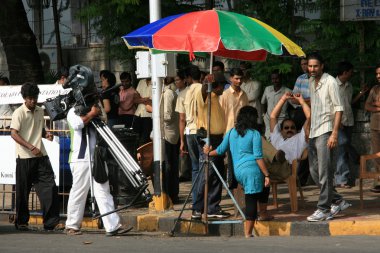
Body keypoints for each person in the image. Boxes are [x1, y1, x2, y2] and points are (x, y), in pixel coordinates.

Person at [65, 99, 132, 236]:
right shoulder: (72, 111)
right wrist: (91, 114)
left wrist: (96, 113)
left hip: (96, 158)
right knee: (79, 192)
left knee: (103, 190)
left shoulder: (93, 112)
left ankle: (112, 226)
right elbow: (78, 124)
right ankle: (72, 225)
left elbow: (104, 122)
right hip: (80, 159)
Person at [204, 106, 270, 238]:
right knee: (252, 196)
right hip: (252, 170)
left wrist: (208, 152)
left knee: (263, 187)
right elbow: (258, 156)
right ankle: (248, 232)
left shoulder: (231, 132)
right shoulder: (254, 134)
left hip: (237, 171)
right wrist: (267, 174)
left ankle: (262, 214)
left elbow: (220, 150)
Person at [10, 82, 61, 231]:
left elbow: (38, 129)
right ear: (25, 98)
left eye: (35, 98)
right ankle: (22, 222)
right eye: (30, 98)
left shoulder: (40, 111)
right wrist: (30, 146)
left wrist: (46, 134)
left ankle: (51, 222)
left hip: (41, 156)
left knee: (49, 186)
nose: (33, 101)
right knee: (23, 192)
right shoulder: (18, 113)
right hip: (24, 157)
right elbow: (14, 133)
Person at [306, 52, 351, 222]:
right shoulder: (311, 81)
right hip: (314, 131)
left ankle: (324, 209)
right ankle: (337, 200)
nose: (312, 69)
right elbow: (315, 106)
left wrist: (334, 133)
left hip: (326, 131)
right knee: (314, 171)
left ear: (322, 66)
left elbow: (339, 109)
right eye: (310, 66)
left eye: (315, 66)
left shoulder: (331, 82)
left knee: (325, 172)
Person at [191, 72, 230, 219]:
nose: (223, 89)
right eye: (222, 86)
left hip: (218, 138)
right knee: (206, 172)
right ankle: (197, 208)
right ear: (217, 86)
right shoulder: (205, 96)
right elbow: (202, 93)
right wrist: (206, 84)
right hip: (207, 137)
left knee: (217, 172)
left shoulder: (217, 98)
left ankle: (213, 207)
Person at [175, 65, 202, 215]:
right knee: (205, 168)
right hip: (203, 132)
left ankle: (196, 203)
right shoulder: (204, 90)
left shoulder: (183, 94)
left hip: (189, 132)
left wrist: (182, 141)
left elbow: (181, 119)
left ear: (188, 79)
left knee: (195, 168)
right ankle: (203, 202)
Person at [269, 92, 310, 184]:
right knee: (259, 139)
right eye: (286, 128)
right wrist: (283, 99)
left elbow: (309, 117)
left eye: (292, 128)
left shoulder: (300, 137)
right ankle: (277, 156)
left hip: (290, 169)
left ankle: (279, 156)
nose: (289, 130)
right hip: (274, 169)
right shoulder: (277, 137)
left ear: (296, 130)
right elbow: (272, 116)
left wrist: (301, 101)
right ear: (282, 130)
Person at [334, 61, 359, 188]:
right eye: (350, 72)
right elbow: (329, 105)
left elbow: (349, 103)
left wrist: (361, 94)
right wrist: (337, 122)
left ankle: (345, 178)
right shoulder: (332, 85)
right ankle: (341, 179)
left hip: (349, 121)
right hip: (338, 122)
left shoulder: (349, 86)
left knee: (343, 148)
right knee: (343, 146)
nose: (351, 74)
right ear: (345, 72)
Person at [162, 78, 180, 203]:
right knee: (172, 165)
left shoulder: (168, 93)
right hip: (172, 133)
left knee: (169, 166)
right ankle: (173, 194)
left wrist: (153, 111)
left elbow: (167, 116)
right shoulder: (171, 92)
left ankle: (170, 195)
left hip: (167, 134)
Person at [261, 69, 292, 140]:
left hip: (281, 121)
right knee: (268, 139)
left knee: (280, 140)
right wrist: (264, 115)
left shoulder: (287, 91)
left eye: (277, 78)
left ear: (281, 79)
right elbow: (263, 102)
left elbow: (295, 105)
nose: (275, 81)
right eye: (273, 79)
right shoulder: (267, 89)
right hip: (268, 119)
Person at [364, 63, 380, 193]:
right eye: (377, 74)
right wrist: (378, 107)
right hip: (375, 126)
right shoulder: (375, 89)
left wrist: (375, 105)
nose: (378, 76)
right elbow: (367, 106)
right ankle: (379, 181)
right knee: (376, 155)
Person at [219, 68, 249, 133]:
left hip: (242, 131)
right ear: (231, 78)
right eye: (236, 78)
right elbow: (220, 115)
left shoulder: (244, 95)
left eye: (241, 79)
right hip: (228, 132)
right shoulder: (224, 95)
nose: (239, 81)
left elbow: (247, 114)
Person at [240, 62, 263, 131]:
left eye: (243, 70)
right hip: (243, 118)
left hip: (255, 118)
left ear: (249, 70)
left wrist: (240, 97)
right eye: (240, 70)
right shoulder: (239, 85)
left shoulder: (256, 84)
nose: (241, 72)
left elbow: (251, 97)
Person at [291, 58, 310, 130]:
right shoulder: (300, 78)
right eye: (302, 64)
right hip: (301, 111)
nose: (303, 66)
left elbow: (317, 101)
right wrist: (309, 101)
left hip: (314, 111)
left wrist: (301, 100)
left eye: (305, 64)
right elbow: (293, 99)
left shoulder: (318, 78)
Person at [134, 78, 152, 145]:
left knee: (145, 140)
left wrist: (140, 99)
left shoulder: (157, 81)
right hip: (138, 114)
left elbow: (153, 102)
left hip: (149, 116)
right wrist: (146, 99)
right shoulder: (141, 81)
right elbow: (135, 99)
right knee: (135, 138)